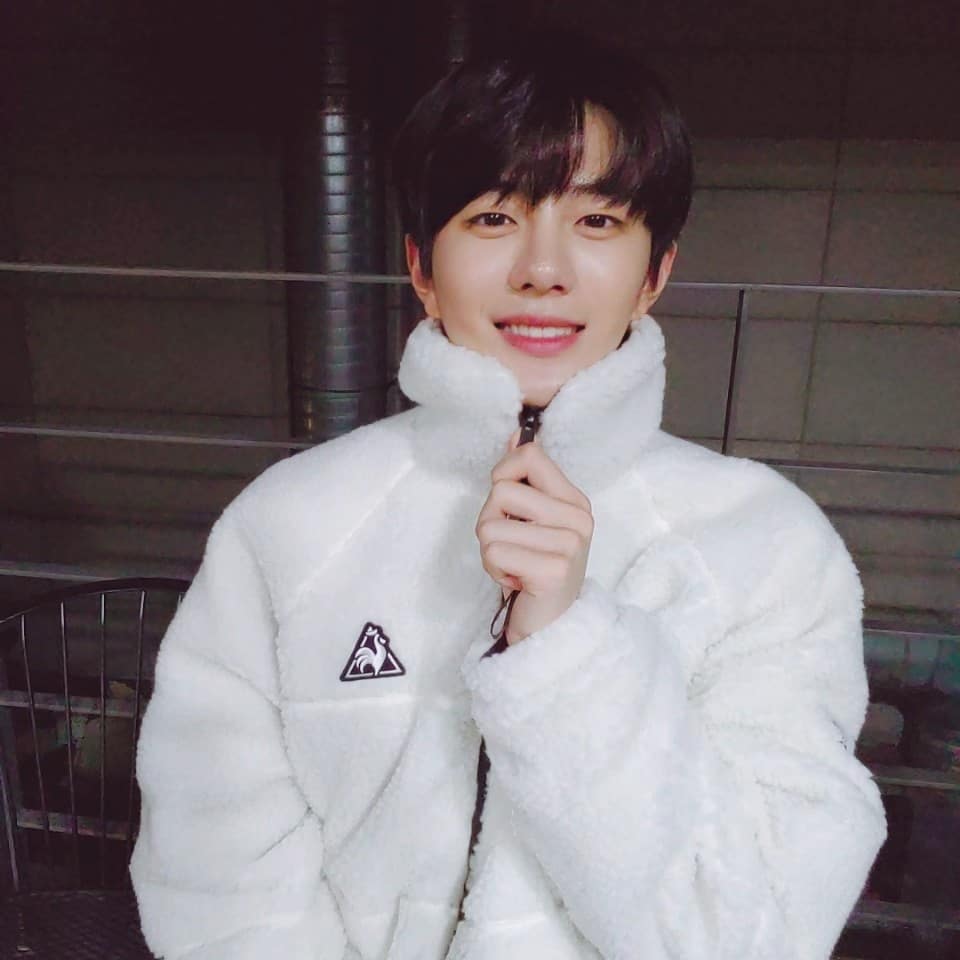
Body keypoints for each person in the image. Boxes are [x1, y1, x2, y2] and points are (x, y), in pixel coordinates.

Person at [130, 30, 887, 960]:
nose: (543, 269)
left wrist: (570, 649)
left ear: (654, 274)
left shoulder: (766, 543)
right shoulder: (290, 523)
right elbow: (218, 875)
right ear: (421, 267)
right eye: (493, 218)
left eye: (597, 222)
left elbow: (755, 931)